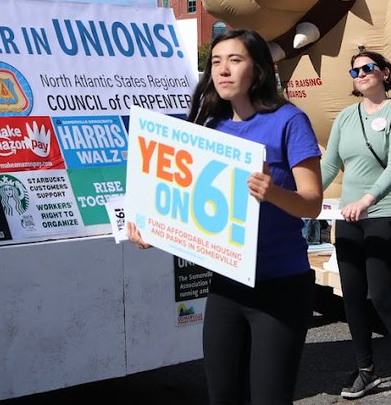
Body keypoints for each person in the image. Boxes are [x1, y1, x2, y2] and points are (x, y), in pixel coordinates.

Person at [128, 29, 322, 405]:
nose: (223, 70)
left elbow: (312, 203)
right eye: (216, 62)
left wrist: (274, 192)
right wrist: (155, 230)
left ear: (259, 69)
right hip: (226, 287)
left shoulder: (289, 120)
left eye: (235, 60)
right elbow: (192, 210)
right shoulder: (210, 128)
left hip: (281, 285)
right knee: (223, 397)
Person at [321, 49, 391, 404]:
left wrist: (367, 199)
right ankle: (366, 370)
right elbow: (329, 166)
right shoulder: (345, 117)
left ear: (384, 72)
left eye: (367, 68)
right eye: (354, 71)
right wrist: (300, 199)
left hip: (386, 210)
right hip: (349, 216)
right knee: (351, 296)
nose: (360, 74)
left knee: (383, 296)